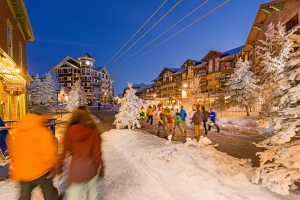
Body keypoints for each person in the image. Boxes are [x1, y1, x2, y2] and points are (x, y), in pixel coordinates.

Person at [7, 105, 61, 200]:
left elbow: (13, 148)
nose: (48, 117)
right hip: (40, 170)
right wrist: (52, 167)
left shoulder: (19, 130)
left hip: (22, 170)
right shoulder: (43, 132)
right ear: (43, 115)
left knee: (24, 196)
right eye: (47, 114)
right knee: (49, 192)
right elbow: (49, 153)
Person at [55, 107, 103, 200]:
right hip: (91, 168)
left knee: (75, 195)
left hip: (76, 169)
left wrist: (59, 166)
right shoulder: (93, 131)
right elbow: (97, 153)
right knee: (92, 192)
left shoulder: (70, 132)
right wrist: (101, 166)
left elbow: (63, 152)